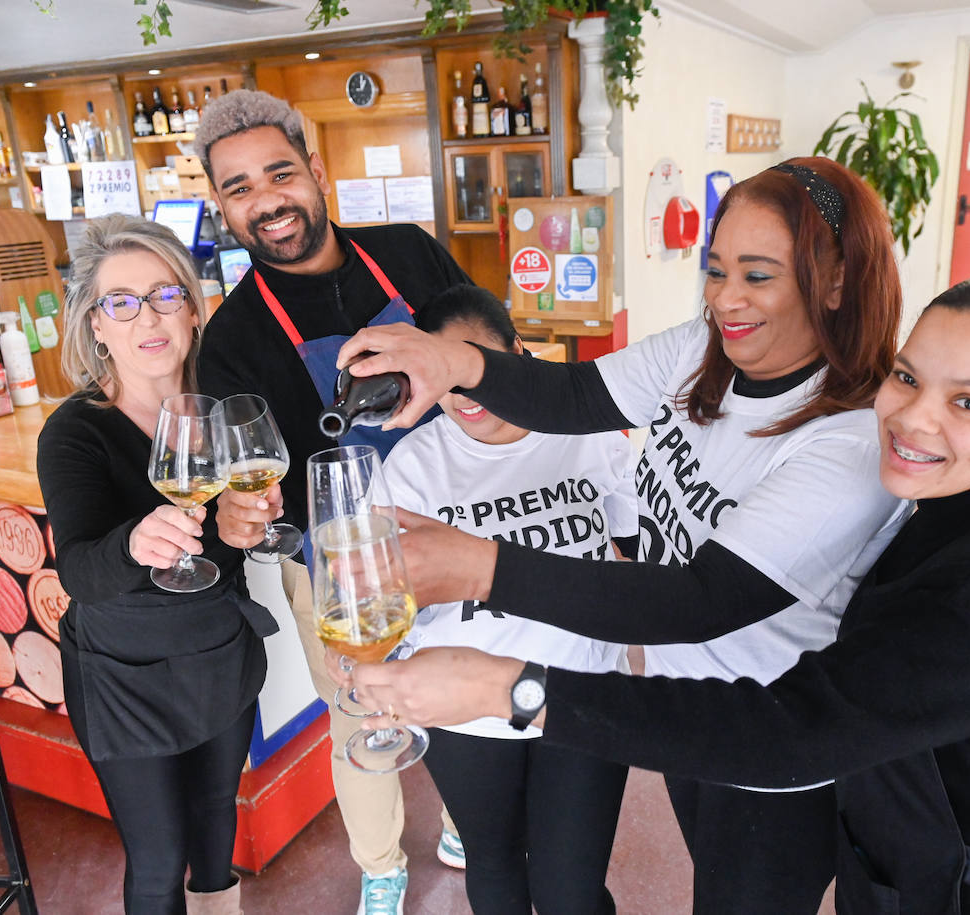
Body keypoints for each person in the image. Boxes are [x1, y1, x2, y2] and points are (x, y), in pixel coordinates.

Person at [345, 271, 970, 913]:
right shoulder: (952, 495)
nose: (911, 419)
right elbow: (580, 397)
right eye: (906, 377)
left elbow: (784, 726)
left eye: (969, 403)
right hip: (901, 845)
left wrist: (504, 681)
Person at [336, 158, 909, 912]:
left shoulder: (849, 441)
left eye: (759, 275)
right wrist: (454, 363)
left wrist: (481, 568)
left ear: (834, 282)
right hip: (687, 707)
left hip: (770, 745)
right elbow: (576, 393)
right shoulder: (707, 351)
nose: (727, 299)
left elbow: (701, 599)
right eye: (717, 269)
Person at [191, 88, 472, 913]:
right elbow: (248, 485)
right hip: (337, 556)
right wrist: (242, 518)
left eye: (280, 174)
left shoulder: (410, 255)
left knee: (463, 684)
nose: (266, 202)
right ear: (221, 205)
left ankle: (465, 817)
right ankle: (380, 863)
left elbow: (493, 351)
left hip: (456, 523)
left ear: (316, 171)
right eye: (239, 188)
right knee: (357, 715)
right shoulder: (233, 337)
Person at [37, 214, 279, 915]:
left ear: (194, 310)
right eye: (122, 301)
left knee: (215, 835)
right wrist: (134, 543)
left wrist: (248, 522)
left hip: (215, 651)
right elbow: (81, 572)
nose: (148, 315)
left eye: (166, 294)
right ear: (95, 325)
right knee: (157, 859)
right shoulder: (75, 431)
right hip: (123, 672)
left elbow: (238, 531)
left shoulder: (224, 410)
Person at [383, 285, 637, 914]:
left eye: (476, 368)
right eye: (442, 376)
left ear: (516, 352)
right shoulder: (412, 466)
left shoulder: (586, 429)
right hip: (464, 711)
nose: (465, 397)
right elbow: (381, 598)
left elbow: (634, 551)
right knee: (493, 869)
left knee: (571, 892)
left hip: (583, 691)